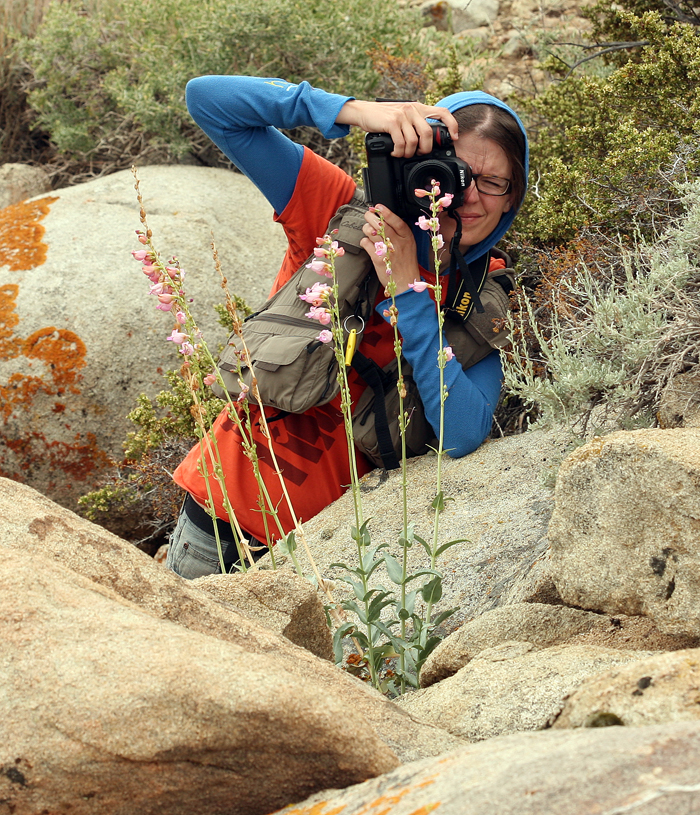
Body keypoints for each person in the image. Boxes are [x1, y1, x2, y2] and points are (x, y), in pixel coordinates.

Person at [165, 75, 529, 579]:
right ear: (417, 164)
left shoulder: (480, 300)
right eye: (454, 172)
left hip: (328, 557)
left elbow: (464, 433)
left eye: (492, 183)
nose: (466, 197)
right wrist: (357, 111)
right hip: (217, 526)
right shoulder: (339, 214)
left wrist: (408, 294)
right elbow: (209, 101)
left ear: (512, 199)